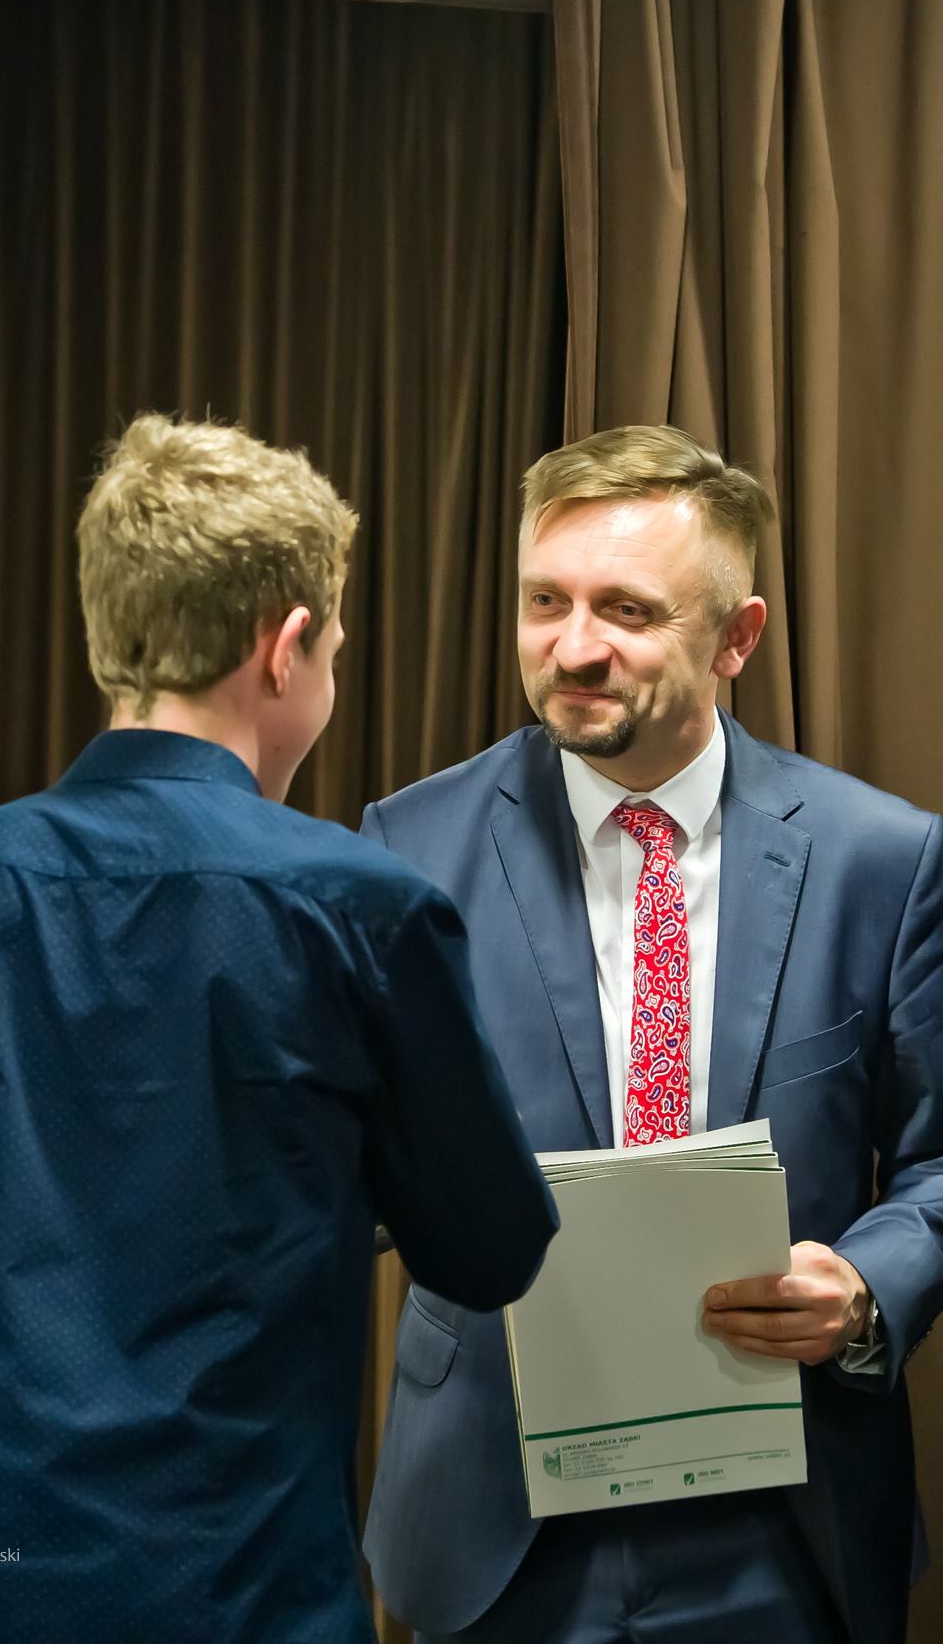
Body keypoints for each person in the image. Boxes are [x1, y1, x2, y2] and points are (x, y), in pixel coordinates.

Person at [0, 414, 558, 1644]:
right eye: (333, 649)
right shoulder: (358, 909)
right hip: (225, 1587)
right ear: (284, 648)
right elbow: (490, 1250)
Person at [362, 425, 943, 1644]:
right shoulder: (403, 852)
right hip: (495, 1519)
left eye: (625, 610)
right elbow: (349, 1165)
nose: (572, 647)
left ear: (736, 637)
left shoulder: (882, 861)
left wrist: (864, 1290)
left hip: (785, 1524)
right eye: (544, 601)